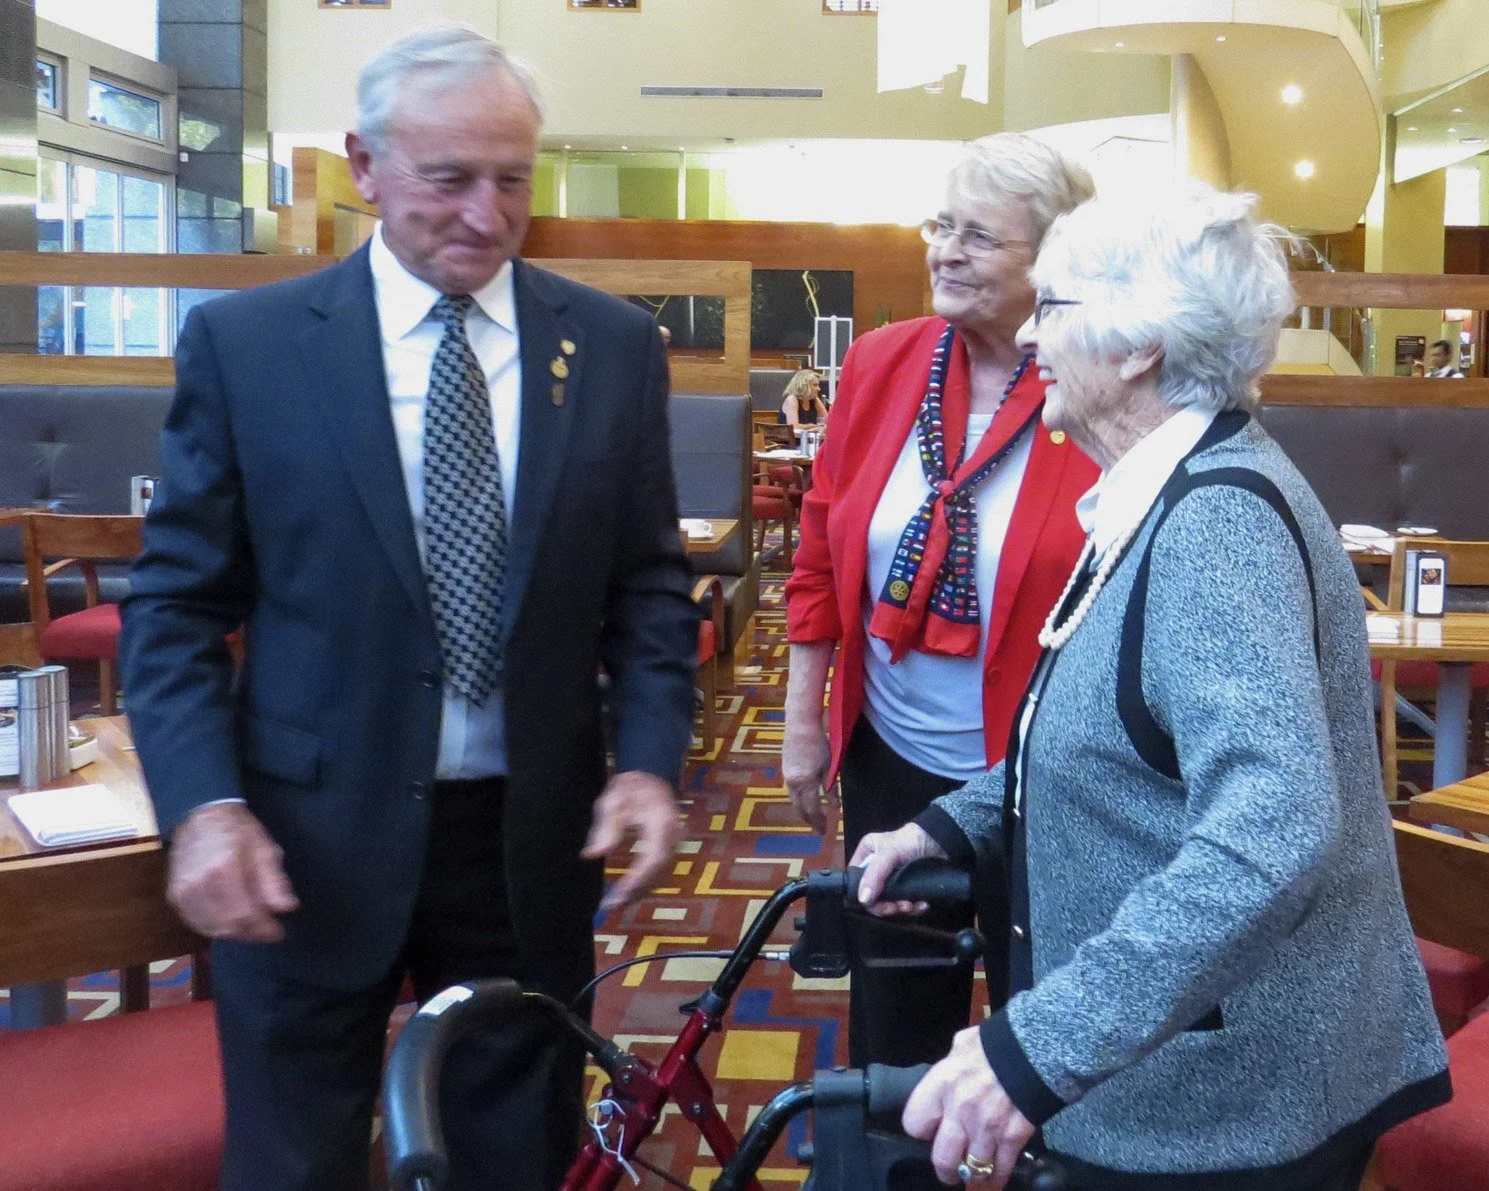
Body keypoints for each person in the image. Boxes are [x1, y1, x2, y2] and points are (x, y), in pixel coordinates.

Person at [119, 27, 697, 1191]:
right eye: (449, 179)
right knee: (293, 1161)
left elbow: (646, 587)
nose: (487, 214)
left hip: (529, 843)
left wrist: (645, 762)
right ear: (365, 167)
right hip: (302, 844)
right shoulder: (252, 347)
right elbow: (176, 605)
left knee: (508, 1155)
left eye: (514, 180)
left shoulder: (616, 347)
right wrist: (204, 805)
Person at [855, 183, 1450, 1190]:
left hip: (1233, 1108)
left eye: (1053, 309)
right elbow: (1109, 736)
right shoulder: (1158, 491)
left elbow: (1270, 829)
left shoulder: (1215, 526)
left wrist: (1043, 1047)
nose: (1032, 339)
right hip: (1186, 1075)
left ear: (1137, 348)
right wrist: (955, 823)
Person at [782, 133, 1098, 1068]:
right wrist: (804, 722)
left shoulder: (1097, 379)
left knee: (1040, 1026)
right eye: (940, 225)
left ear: (1052, 259)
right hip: (891, 761)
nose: (944, 251)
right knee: (895, 1025)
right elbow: (816, 550)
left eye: (978, 236)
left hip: (1042, 779)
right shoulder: (882, 362)